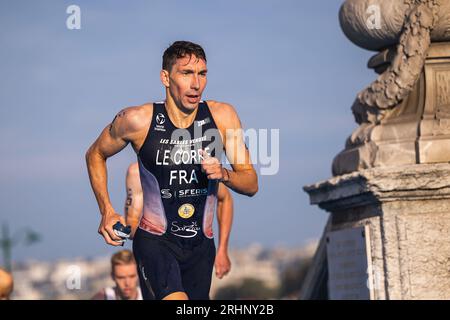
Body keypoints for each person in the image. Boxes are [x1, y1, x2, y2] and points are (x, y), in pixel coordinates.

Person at [86, 40, 258, 300]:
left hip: (201, 247)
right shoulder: (137, 120)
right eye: (186, 73)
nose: (196, 84)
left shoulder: (222, 116)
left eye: (202, 74)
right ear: (165, 77)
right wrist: (107, 211)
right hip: (156, 242)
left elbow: (251, 183)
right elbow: (95, 154)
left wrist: (223, 173)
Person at [124, 162, 233, 281]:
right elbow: (132, 222)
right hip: (159, 251)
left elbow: (225, 199)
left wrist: (222, 249)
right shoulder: (136, 171)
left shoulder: (196, 166)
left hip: (195, 250)